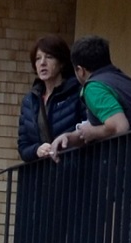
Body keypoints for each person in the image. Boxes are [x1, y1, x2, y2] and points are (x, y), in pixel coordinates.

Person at [50, 34, 131, 153]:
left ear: (80, 70)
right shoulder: (122, 79)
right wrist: (71, 137)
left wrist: (92, 132)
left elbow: (119, 126)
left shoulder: (94, 87)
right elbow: (106, 123)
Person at [17, 33, 84, 163]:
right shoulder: (29, 100)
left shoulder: (78, 93)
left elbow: (89, 132)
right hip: (40, 171)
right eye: (38, 58)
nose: (42, 63)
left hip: (73, 169)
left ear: (62, 63)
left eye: (49, 57)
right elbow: (23, 146)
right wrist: (36, 150)